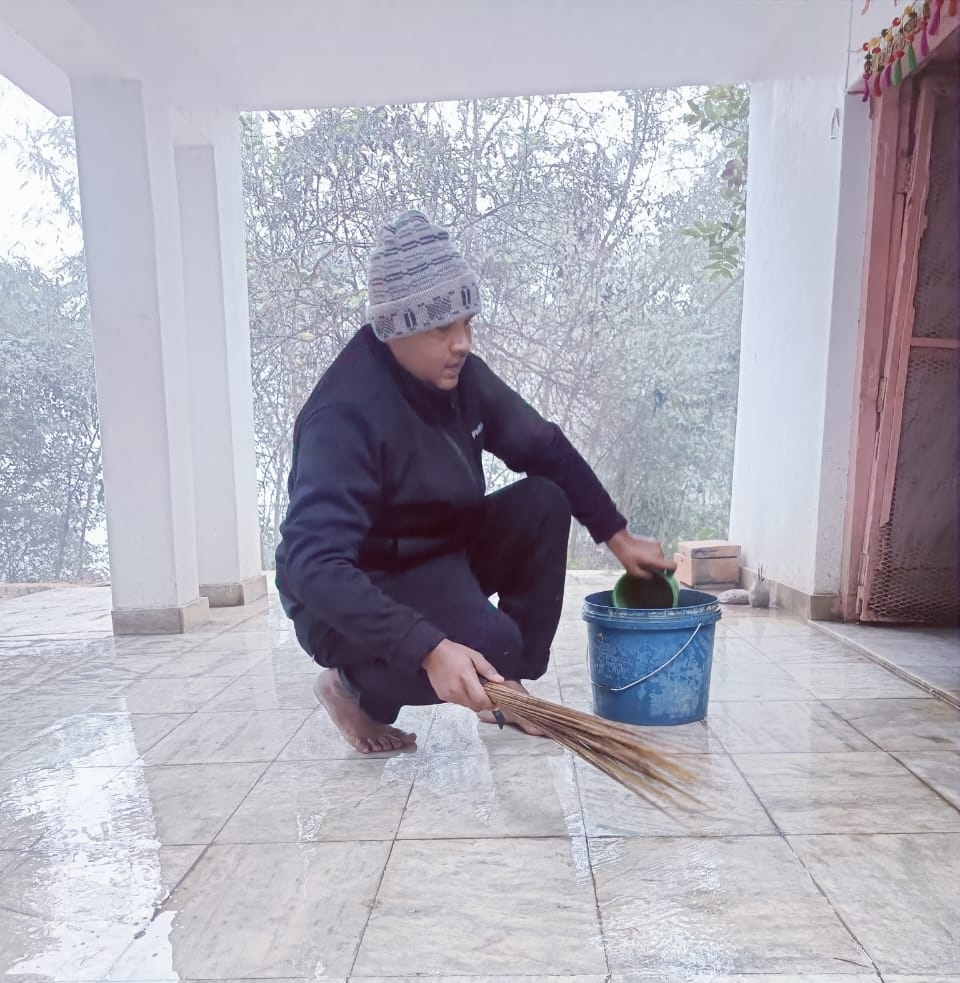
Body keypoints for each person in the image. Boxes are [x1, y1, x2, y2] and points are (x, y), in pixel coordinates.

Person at [275, 210, 674, 753]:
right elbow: (313, 566)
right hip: (355, 585)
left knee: (544, 501)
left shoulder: (461, 377)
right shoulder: (344, 414)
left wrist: (617, 536)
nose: (461, 342)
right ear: (397, 327)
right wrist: (428, 646)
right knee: (486, 647)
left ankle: (506, 685)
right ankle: (348, 685)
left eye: (466, 323)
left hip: (437, 555)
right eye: (443, 328)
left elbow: (545, 448)